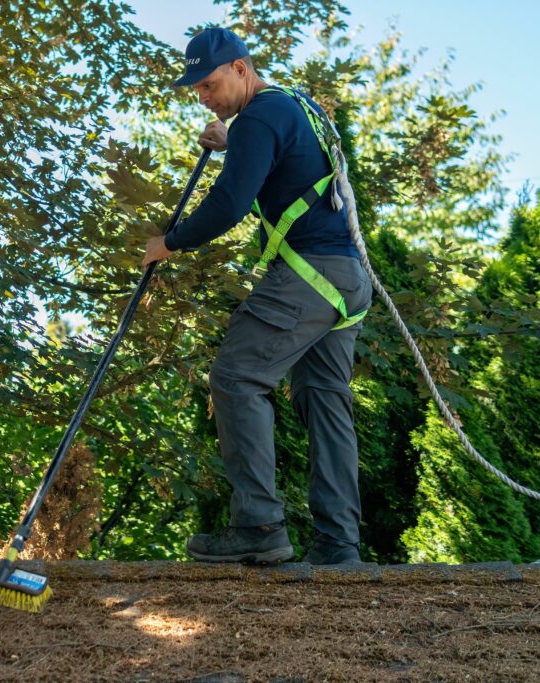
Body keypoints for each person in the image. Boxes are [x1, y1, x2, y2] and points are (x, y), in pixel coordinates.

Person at [141, 27, 372, 566]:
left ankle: (259, 525)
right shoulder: (294, 105)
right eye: (196, 89)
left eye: (210, 83)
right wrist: (232, 145)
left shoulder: (258, 117)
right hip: (346, 281)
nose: (204, 96)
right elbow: (290, 164)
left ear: (241, 69)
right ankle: (338, 546)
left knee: (236, 376)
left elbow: (229, 204)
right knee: (324, 399)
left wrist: (169, 243)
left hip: (307, 276)